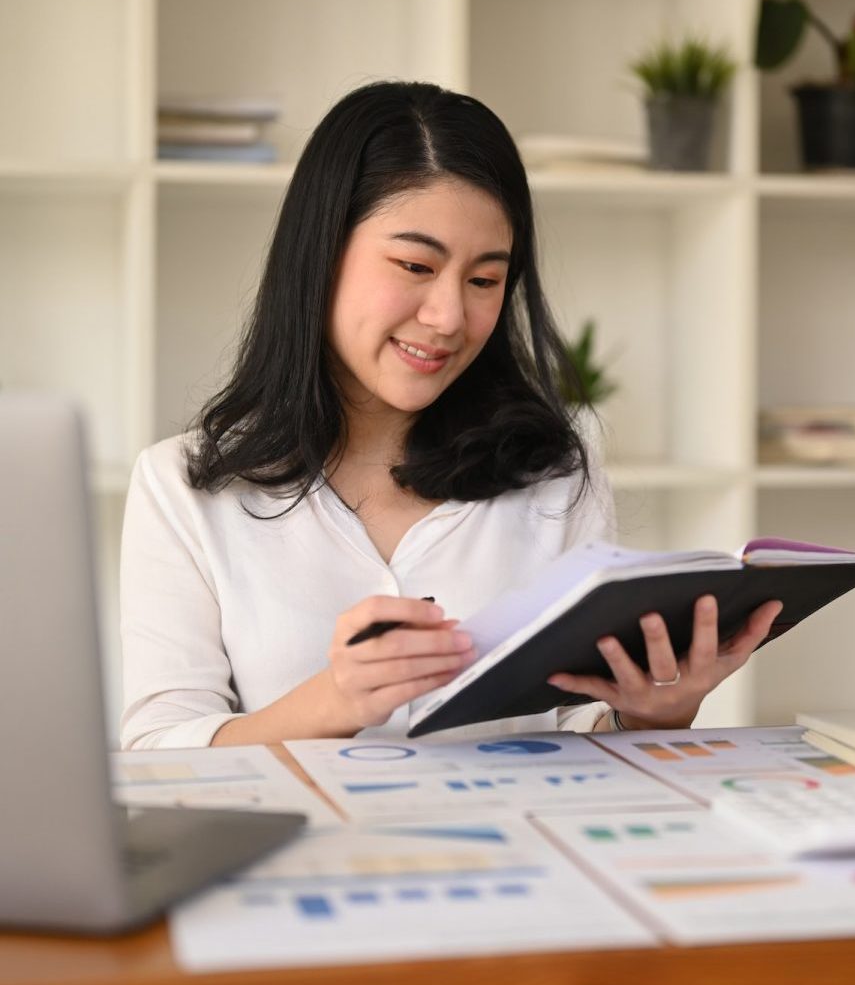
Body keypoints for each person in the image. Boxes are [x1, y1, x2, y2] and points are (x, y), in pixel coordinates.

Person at [120, 80, 780, 749]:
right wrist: (333, 702)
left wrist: (647, 715)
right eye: (415, 265)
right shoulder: (182, 488)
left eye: (484, 280)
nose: (448, 317)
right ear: (321, 254)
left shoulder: (554, 477)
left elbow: (575, 724)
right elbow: (158, 751)